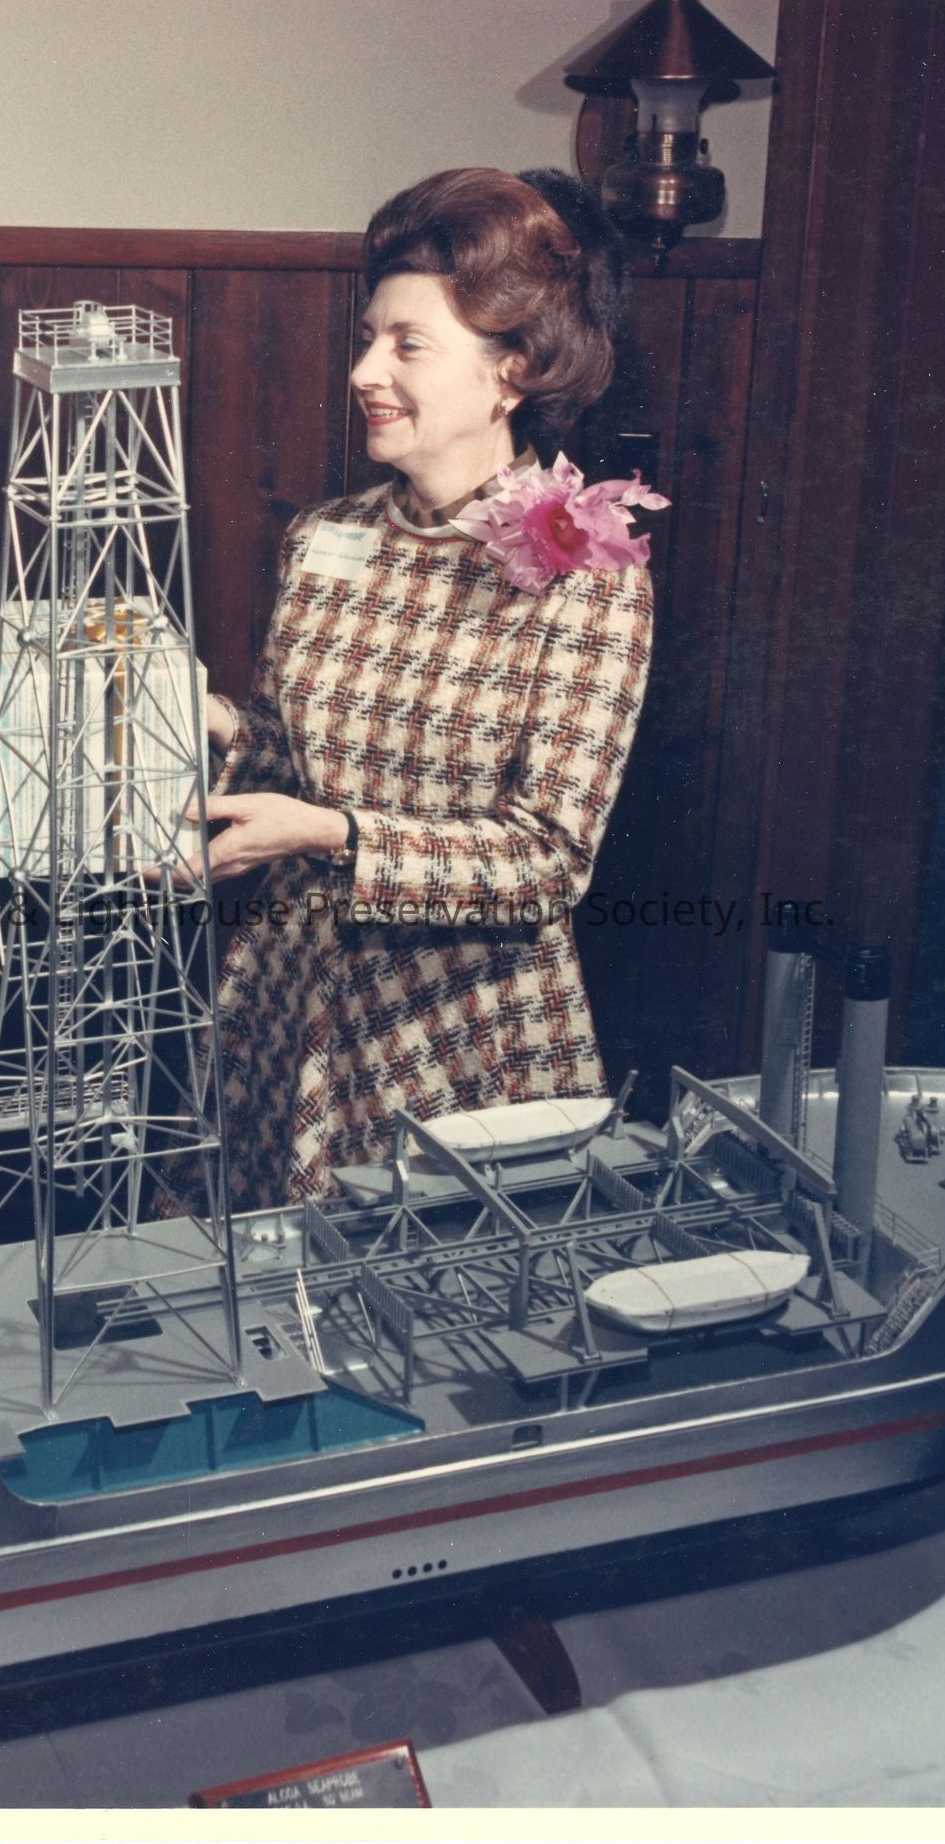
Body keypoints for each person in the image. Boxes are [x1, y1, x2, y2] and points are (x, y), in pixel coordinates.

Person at [183, 167, 656, 1212]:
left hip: (463, 1037)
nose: (364, 371)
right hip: (291, 1008)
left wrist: (329, 836)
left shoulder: (590, 569)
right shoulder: (325, 536)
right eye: (368, 338)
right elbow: (288, 752)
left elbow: (548, 862)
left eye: (408, 345)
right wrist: (206, 721)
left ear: (513, 370)